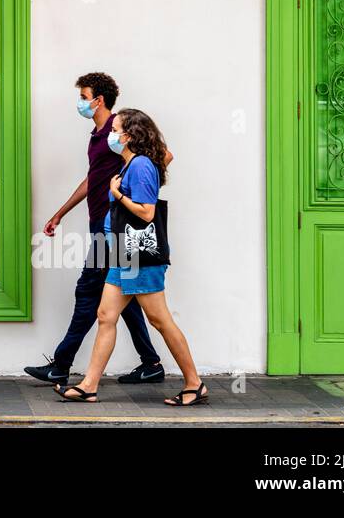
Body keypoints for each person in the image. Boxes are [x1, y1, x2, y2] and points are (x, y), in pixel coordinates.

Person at [56, 108, 207, 407]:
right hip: (123, 253)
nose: (111, 134)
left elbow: (147, 212)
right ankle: (89, 385)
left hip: (139, 254)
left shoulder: (140, 166)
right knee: (105, 316)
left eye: (116, 129)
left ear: (130, 135)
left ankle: (194, 383)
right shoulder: (130, 165)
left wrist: (117, 193)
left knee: (159, 320)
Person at [24, 73, 164, 387]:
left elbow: (162, 155)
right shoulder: (99, 136)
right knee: (125, 293)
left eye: (84, 96)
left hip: (115, 228)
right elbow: (92, 179)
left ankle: (61, 364)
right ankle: (151, 363)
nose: (81, 102)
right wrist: (60, 212)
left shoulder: (121, 129)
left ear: (98, 100)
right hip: (101, 224)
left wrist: (129, 193)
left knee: (88, 291)